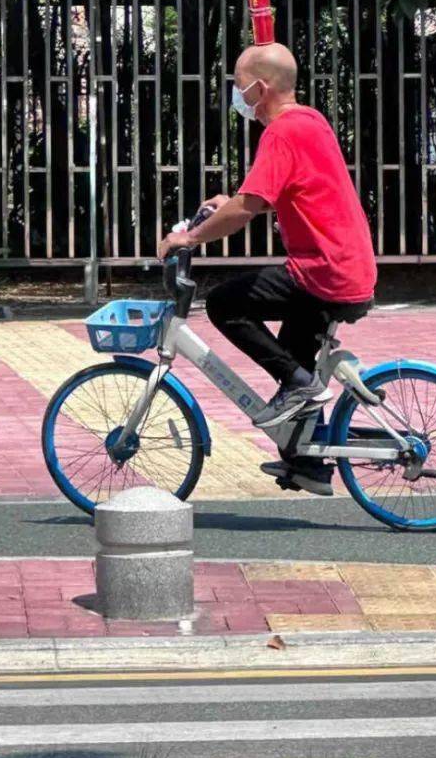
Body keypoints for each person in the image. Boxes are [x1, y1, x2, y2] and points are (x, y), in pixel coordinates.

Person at [158, 42, 376, 495]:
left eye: (240, 88)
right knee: (292, 358)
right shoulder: (308, 120)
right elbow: (260, 193)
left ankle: (302, 387)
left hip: (323, 272)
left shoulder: (281, 132)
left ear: (260, 88)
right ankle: (309, 465)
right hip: (344, 267)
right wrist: (228, 202)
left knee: (224, 303)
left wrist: (191, 237)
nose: (239, 97)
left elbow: (249, 208)